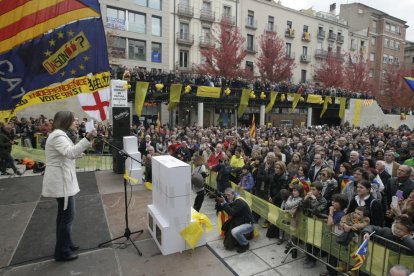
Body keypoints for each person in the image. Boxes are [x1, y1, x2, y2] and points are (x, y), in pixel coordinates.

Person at [42, 111, 97, 262]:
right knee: (67, 217)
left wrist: (80, 150)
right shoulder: (58, 135)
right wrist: (87, 138)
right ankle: (62, 251)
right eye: (74, 120)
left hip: (62, 180)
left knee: (63, 216)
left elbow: (67, 153)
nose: (76, 122)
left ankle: (66, 243)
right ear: (66, 121)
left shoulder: (59, 134)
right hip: (61, 182)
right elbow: (69, 152)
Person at [218, 188, 255, 253]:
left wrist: (224, 202)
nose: (227, 197)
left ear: (233, 194)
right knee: (228, 225)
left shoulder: (239, 201)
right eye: (226, 195)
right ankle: (238, 241)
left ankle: (245, 244)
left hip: (248, 224)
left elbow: (231, 212)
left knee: (234, 231)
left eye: (229, 195)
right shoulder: (235, 200)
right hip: (242, 221)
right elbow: (229, 208)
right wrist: (222, 203)